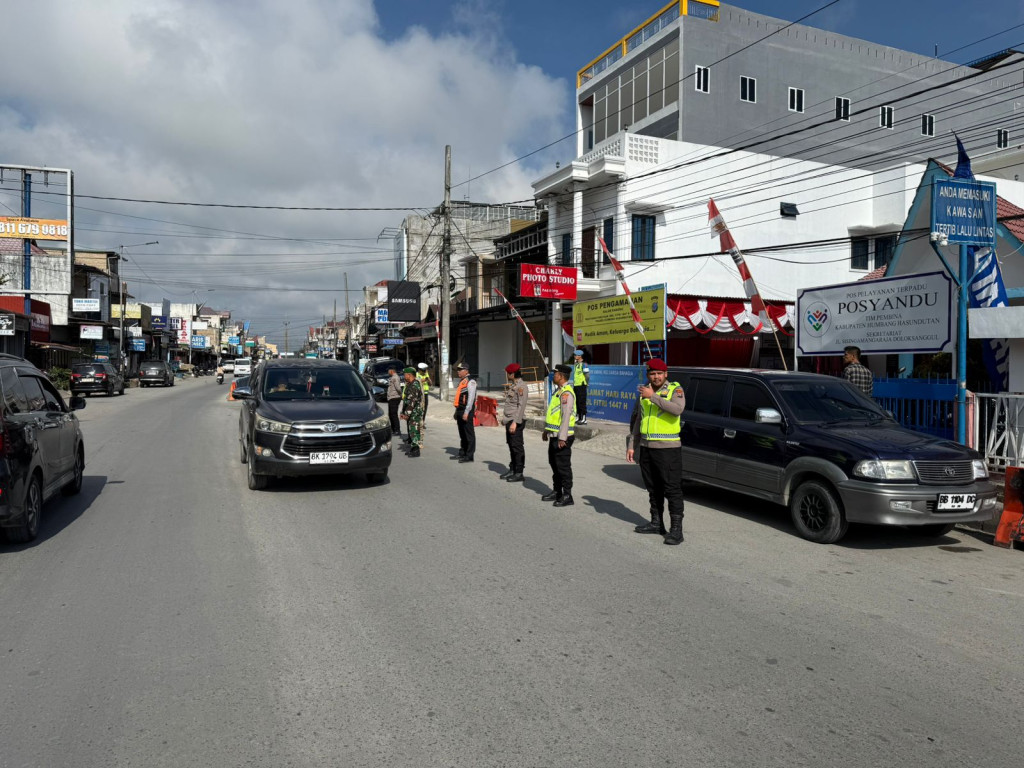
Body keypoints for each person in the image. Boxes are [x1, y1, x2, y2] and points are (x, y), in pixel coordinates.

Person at [626, 358, 686, 545]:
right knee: (653, 487)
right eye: (652, 373)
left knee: (672, 489)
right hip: (647, 447)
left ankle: (676, 530)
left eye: (659, 373)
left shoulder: (675, 389)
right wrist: (632, 445)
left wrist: (653, 396)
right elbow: (639, 419)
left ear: (666, 374)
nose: (656, 376)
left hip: (668, 449)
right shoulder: (644, 390)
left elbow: (677, 409)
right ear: (648, 375)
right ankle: (656, 522)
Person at [542, 364, 577, 507]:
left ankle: (567, 495)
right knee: (554, 464)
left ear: (561, 376)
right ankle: (557, 491)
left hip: (563, 437)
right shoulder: (558, 391)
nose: (553, 376)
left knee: (563, 467)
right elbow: (554, 415)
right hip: (554, 435)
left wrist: (563, 437)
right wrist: (546, 431)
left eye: (555, 374)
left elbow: (566, 416)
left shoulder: (567, 393)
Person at [500, 362, 529, 483]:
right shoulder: (514, 385)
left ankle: (519, 472)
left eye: (508, 373)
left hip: (515, 421)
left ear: (513, 373)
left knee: (517, 447)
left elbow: (521, 406)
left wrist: (515, 423)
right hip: (509, 420)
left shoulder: (522, 386)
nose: (507, 375)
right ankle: (512, 469)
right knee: (511, 446)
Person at [452, 362, 477, 463]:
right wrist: (456, 411)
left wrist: (466, 412)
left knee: (468, 434)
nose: (458, 372)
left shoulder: (471, 382)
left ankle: (469, 455)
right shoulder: (462, 381)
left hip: (466, 410)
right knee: (462, 433)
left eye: (460, 370)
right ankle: (462, 452)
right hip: (460, 409)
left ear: (466, 370)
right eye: (458, 370)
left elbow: (471, 399)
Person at [400, 367, 424, 457]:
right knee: (412, 430)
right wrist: (403, 412)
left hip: (414, 412)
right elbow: (406, 400)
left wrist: (407, 414)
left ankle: (416, 450)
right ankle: (413, 448)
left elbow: (412, 401)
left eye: (405, 374)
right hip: (411, 411)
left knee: (414, 430)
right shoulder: (410, 384)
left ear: (409, 375)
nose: (404, 376)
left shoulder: (414, 385)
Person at [572, 349, 590, 424]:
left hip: (581, 386)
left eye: (576, 355)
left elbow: (587, 376)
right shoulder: (576, 365)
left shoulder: (584, 365)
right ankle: (579, 417)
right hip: (576, 385)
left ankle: (584, 419)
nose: (574, 356)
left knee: (582, 402)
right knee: (577, 402)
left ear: (580, 356)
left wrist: (586, 383)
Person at [386, 365, 403, 436]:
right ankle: (393, 430)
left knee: (393, 414)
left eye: (388, 370)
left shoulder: (395, 377)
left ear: (392, 370)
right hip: (391, 397)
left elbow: (398, 388)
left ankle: (397, 430)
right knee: (391, 414)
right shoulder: (392, 377)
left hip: (394, 398)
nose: (388, 372)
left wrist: (401, 395)